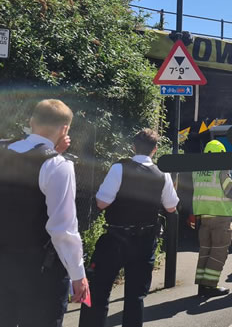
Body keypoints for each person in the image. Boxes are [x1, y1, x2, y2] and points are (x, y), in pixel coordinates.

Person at [0, 98, 89, 326]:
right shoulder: (58, 166)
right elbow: (63, 229)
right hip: (39, 271)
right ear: (65, 129)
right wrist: (78, 274)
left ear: (31, 122)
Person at [79, 128, 179, 327]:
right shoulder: (163, 175)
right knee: (135, 297)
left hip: (116, 237)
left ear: (133, 147)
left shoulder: (119, 169)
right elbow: (171, 206)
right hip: (145, 242)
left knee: (98, 291)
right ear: (155, 149)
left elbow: (101, 203)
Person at [192, 139, 232, 297]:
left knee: (205, 251)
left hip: (204, 217)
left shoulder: (197, 170)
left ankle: (201, 285)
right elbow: (230, 191)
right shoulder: (221, 168)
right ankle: (211, 285)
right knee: (218, 252)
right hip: (220, 216)